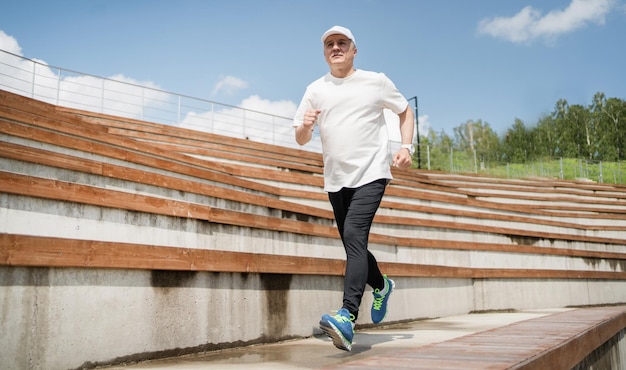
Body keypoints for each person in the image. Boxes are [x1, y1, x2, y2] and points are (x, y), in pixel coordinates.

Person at [292, 25, 415, 351]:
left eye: (342, 43)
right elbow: (301, 137)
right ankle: (381, 285)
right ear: (324, 52)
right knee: (352, 244)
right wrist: (305, 127)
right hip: (336, 179)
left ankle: (347, 316)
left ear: (354, 49)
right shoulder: (315, 89)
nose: (336, 48)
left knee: (354, 236)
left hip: (372, 173)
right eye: (330, 44)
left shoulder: (376, 81)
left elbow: (405, 111)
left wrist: (407, 147)